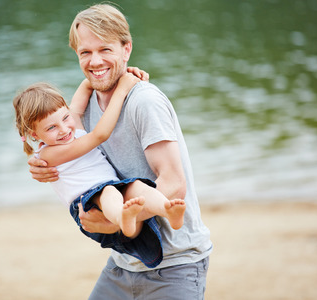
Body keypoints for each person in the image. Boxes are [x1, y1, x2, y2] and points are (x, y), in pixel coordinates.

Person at [28, 3, 213, 299]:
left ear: (126, 50)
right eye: (85, 52)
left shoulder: (144, 102)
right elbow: (57, 143)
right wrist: (40, 164)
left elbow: (174, 183)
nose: (95, 61)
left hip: (176, 264)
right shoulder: (80, 110)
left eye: (105, 50)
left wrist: (114, 223)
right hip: (122, 264)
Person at [13, 71, 186, 268]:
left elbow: (86, 86)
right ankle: (122, 217)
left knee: (138, 188)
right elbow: (100, 134)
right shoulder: (47, 155)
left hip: (112, 187)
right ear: (34, 134)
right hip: (85, 201)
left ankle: (166, 209)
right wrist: (121, 89)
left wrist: (120, 72)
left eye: (65, 117)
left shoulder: (73, 128)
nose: (63, 129)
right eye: (51, 128)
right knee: (109, 192)